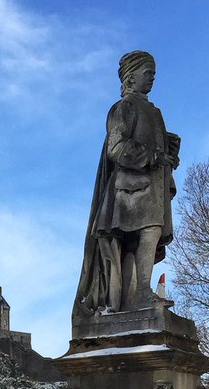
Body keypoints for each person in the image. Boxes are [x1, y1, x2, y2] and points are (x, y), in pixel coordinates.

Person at [74, 51, 180, 316]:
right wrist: (152, 156)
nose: (153, 78)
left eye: (154, 74)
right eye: (148, 73)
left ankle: (139, 293)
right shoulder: (124, 108)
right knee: (144, 234)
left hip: (151, 187)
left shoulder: (154, 111)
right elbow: (116, 147)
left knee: (150, 235)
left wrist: (168, 153)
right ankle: (139, 292)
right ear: (131, 78)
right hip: (130, 190)